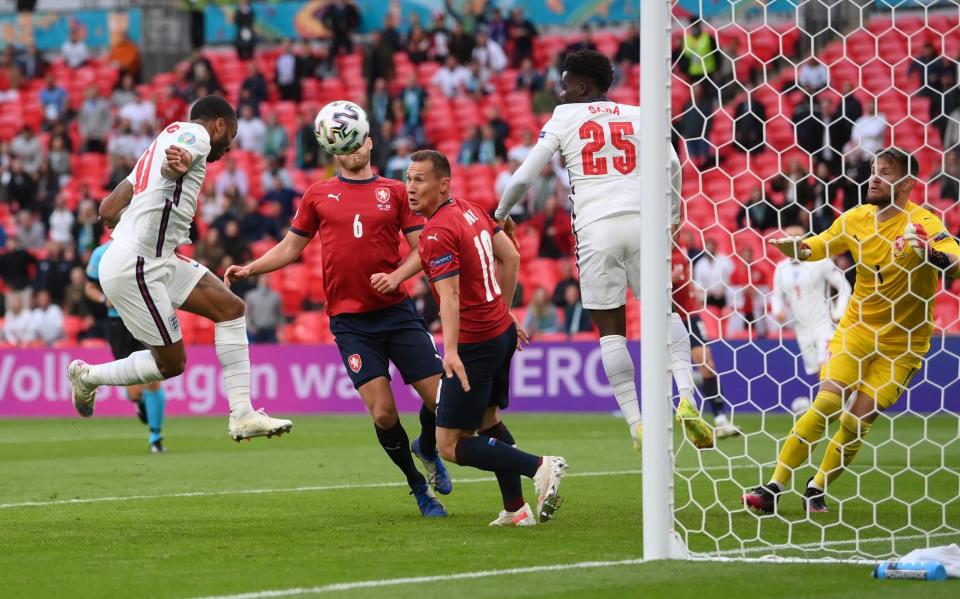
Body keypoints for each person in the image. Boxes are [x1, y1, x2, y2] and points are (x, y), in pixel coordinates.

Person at [224, 118, 451, 518]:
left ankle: (428, 448)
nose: (350, 151)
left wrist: (397, 276)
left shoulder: (396, 192)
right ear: (334, 153)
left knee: (440, 401)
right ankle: (417, 486)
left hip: (397, 314)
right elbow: (290, 248)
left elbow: (424, 248)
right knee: (382, 412)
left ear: (368, 143)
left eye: (355, 144)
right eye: (340, 147)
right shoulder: (318, 195)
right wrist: (251, 268)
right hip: (351, 323)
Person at [496, 50, 711, 451]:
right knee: (664, 314)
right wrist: (673, 215)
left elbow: (526, 175)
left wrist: (500, 214)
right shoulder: (640, 114)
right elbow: (673, 165)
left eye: (565, 86)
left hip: (597, 229)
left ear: (582, 86)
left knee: (612, 332)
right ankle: (685, 397)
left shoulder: (564, 118)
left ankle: (636, 423)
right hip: (646, 222)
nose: (560, 93)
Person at [744, 148, 960, 514]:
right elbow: (819, 245)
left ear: (907, 183)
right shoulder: (855, 219)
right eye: (874, 171)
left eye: (886, 173)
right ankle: (773, 486)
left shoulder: (924, 223)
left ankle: (817, 486)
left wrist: (930, 254)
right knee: (827, 402)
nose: (874, 177)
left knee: (856, 420)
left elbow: (954, 263)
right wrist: (796, 247)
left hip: (902, 345)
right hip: (856, 331)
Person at [66, 95, 292, 442]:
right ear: (219, 124)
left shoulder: (157, 144)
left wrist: (121, 209)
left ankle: (243, 415)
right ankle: (88, 376)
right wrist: (178, 165)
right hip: (137, 265)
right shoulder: (195, 136)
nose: (227, 148)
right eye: (229, 137)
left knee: (231, 309)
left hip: (158, 258)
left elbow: (109, 205)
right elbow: (183, 154)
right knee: (171, 364)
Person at [410, 149, 567, 526]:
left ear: (443, 184)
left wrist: (449, 350)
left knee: (449, 445)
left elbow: (448, 296)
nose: (410, 188)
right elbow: (511, 256)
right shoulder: (471, 209)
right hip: (499, 331)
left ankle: (540, 467)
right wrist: (505, 309)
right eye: (408, 179)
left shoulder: (436, 233)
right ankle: (515, 509)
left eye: (419, 180)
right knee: (488, 420)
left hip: (474, 343)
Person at [85, 240, 169, 453]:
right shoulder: (101, 253)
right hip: (117, 324)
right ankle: (141, 404)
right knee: (133, 391)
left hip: (144, 318)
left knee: (154, 376)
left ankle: (155, 437)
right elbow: (89, 286)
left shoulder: (146, 248)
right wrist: (105, 299)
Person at [672, 242, 740, 438]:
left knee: (707, 363)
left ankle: (720, 421)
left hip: (690, 314)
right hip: (666, 316)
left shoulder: (682, 248)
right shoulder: (651, 249)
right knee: (667, 368)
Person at [771, 225, 852, 379]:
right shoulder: (781, 268)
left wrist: (838, 312)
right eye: (790, 236)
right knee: (819, 374)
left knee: (827, 370)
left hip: (824, 324)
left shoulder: (819, 261)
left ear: (805, 238)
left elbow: (844, 287)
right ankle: (839, 402)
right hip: (801, 329)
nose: (793, 240)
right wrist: (778, 311)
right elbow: (776, 295)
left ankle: (848, 402)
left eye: (797, 236)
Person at [243, 276, 283, 343]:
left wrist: (281, 331)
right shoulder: (250, 296)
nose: (264, 282)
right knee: (256, 352)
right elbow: (247, 314)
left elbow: (279, 314)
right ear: (258, 282)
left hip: (271, 330)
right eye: (262, 281)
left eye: (266, 281)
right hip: (256, 330)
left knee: (272, 352)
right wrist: (250, 327)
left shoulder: (276, 296)